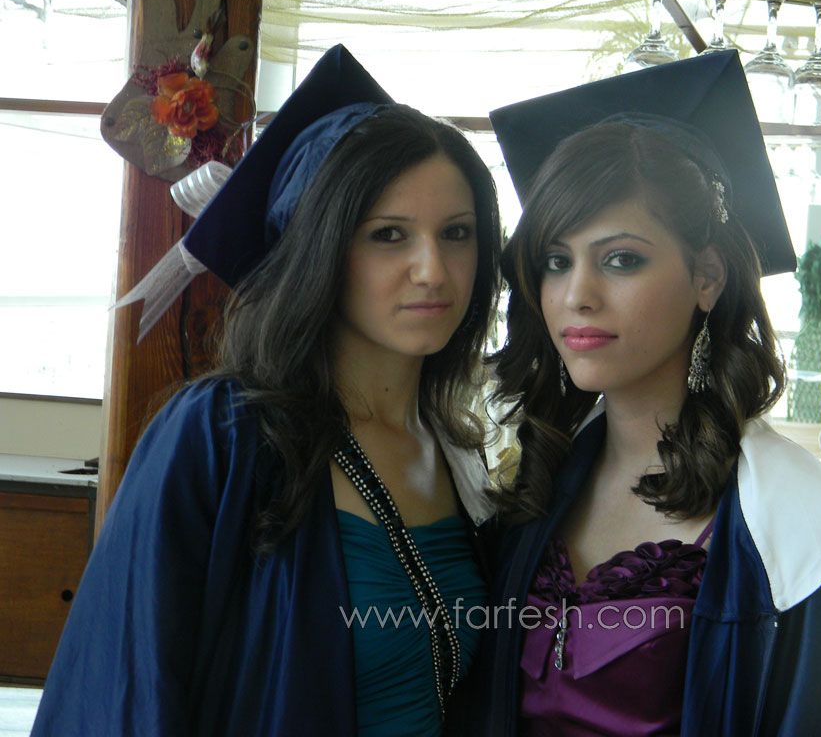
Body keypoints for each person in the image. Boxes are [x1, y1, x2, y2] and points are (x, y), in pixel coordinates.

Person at [31, 45, 501, 736]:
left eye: (457, 233)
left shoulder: (455, 446)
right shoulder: (223, 432)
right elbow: (123, 688)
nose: (432, 269)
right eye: (388, 236)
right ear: (318, 249)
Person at [476, 51, 821, 736]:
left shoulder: (792, 521)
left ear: (707, 277)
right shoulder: (535, 476)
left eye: (621, 259)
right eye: (556, 261)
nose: (577, 294)